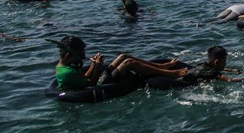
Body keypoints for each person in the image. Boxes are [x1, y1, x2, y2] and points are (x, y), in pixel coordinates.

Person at [50, 36, 186, 91]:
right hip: (100, 84)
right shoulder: (67, 73)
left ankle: (161, 66)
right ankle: (172, 74)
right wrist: (97, 65)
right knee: (128, 63)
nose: (81, 58)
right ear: (68, 55)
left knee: (123, 56)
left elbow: (84, 76)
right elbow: (90, 83)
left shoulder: (65, 66)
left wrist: (93, 65)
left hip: (98, 79)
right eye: (78, 55)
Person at [179, 45, 244, 84]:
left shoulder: (203, 65)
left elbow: (222, 69)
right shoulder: (212, 72)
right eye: (224, 61)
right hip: (185, 85)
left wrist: (238, 71)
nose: (225, 64)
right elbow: (230, 80)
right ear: (216, 62)